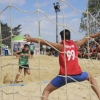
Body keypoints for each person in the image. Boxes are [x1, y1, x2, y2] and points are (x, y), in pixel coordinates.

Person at [25, 29, 100, 100]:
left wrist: (31, 39)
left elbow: (44, 42)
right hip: (78, 75)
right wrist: (99, 33)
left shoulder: (61, 46)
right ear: (70, 37)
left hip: (64, 76)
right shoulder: (76, 44)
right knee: (90, 77)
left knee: (46, 91)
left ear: (62, 38)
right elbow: (89, 36)